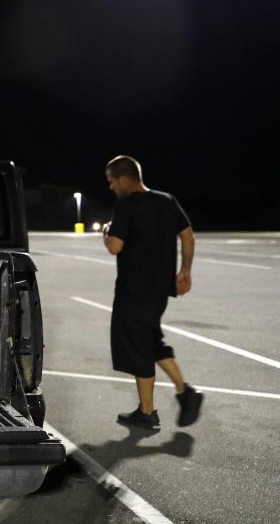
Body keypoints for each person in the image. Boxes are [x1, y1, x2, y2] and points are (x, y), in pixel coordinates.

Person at [102, 155, 203, 430]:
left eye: (112, 182)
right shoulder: (166, 200)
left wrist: (108, 230)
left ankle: (150, 411)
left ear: (123, 180)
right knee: (150, 340)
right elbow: (188, 235)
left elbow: (114, 247)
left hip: (133, 290)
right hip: (159, 290)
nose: (111, 187)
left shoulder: (125, 206)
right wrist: (185, 270)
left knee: (139, 346)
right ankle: (183, 395)